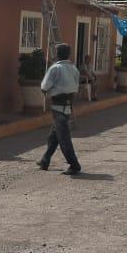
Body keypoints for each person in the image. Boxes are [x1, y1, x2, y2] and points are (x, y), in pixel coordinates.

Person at [37, 43, 82, 175]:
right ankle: (45, 160)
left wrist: (46, 88)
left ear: (58, 54)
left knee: (63, 138)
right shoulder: (74, 69)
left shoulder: (55, 68)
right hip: (68, 106)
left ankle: (74, 165)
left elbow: (44, 87)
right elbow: (75, 87)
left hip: (57, 106)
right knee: (54, 136)